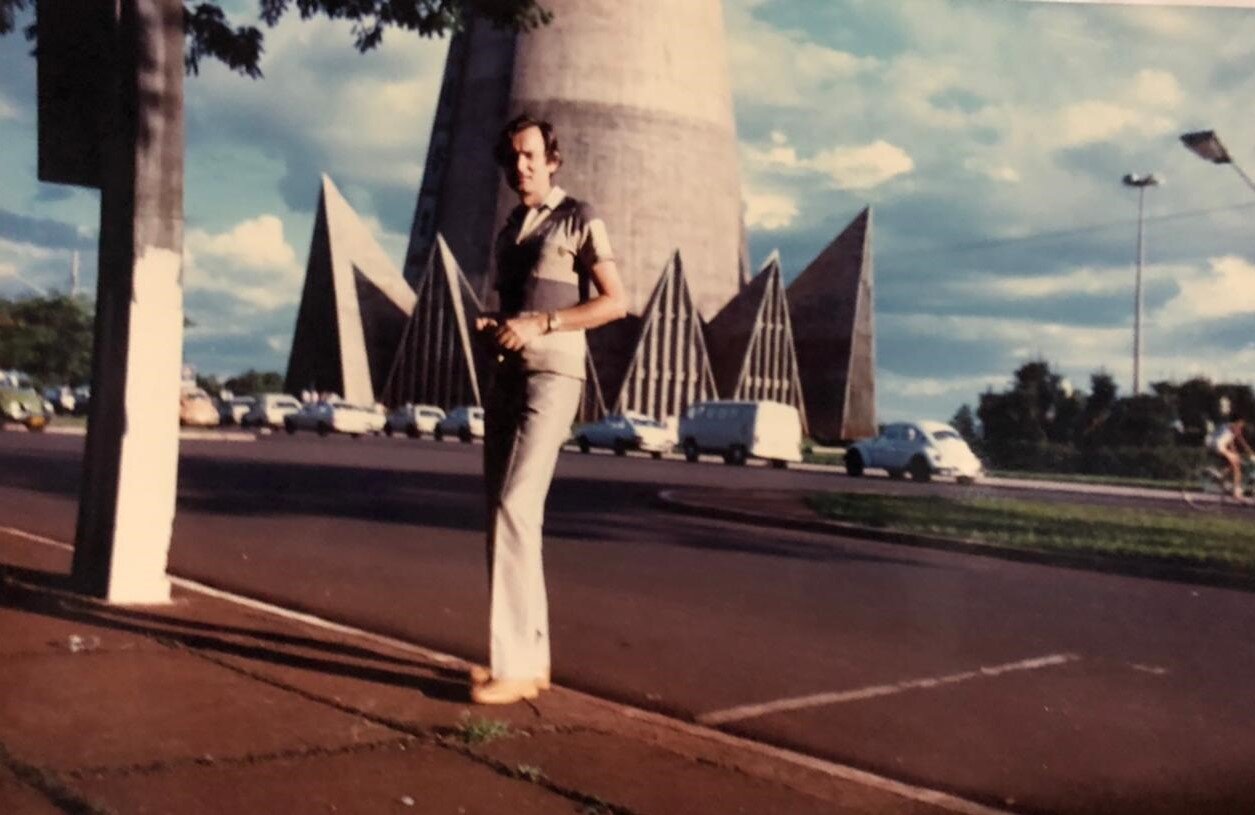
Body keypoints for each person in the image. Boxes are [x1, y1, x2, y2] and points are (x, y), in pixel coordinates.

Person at [470, 114, 627, 705]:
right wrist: (496, 324)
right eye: (513, 157)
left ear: (552, 160)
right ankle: (530, 661)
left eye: (532, 156)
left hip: (554, 374)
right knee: (506, 514)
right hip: (508, 373)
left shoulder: (579, 217)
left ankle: (511, 668)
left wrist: (543, 323)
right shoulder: (509, 229)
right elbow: (518, 309)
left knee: (515, 504)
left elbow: (614, 302)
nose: (521, 167)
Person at [1207, 416, 1253, 500]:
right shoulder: (1233, 427)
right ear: (1237, 422)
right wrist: (1249, 451)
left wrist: (1236, 453)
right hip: (1218, 445)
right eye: (1241, 424)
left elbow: (1231, 444)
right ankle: (1236, 492)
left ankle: (1220, 475)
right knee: (1237, 466)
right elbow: (1240, 438)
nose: (1241, 427)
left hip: (1213, 444)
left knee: (1235, 460)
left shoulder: (1227, 428)